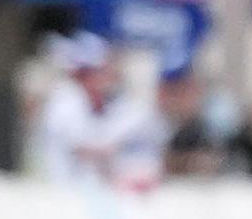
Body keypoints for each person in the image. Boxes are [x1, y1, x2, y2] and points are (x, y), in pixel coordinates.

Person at [28, 34, 166, 187]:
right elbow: (88, 148)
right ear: (85, 73)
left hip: (81, 184)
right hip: (59, 186)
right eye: (102, 72)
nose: (107, 77)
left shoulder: (101, 102)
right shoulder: (66, 99)